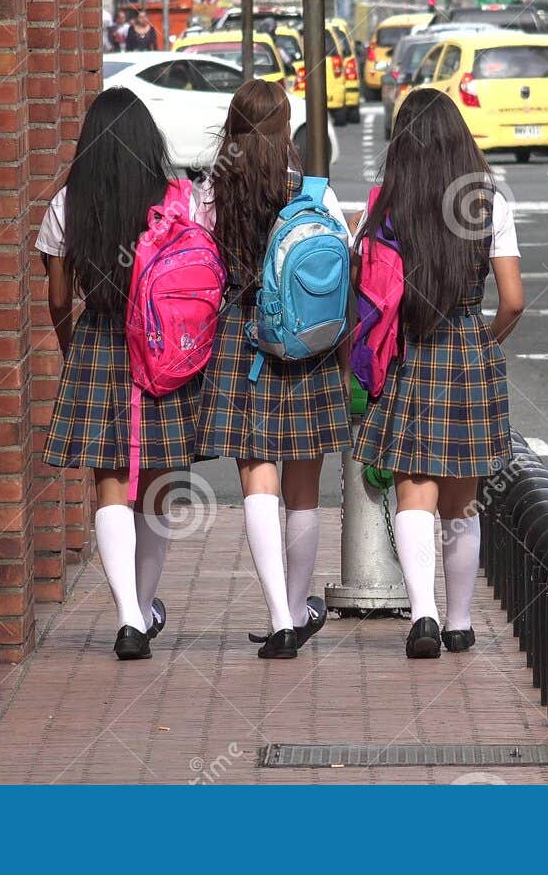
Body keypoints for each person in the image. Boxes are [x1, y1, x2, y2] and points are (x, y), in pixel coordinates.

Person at [352, 88, 526, 657]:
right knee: (462, 504)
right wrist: (484, 341)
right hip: (467, 350)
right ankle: (458, 622)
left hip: (411, 353)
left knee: (414, 497)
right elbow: (514, 301)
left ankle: (421, 615)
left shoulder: (387, 208)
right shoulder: (487, 203)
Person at [36, 88, 202, 659]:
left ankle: (129, 618)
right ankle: (145, 605)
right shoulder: (173, 199)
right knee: (157, 486)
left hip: (100, 343)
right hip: (160, 352)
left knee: (109, 485)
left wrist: (69, 342)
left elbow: (59, 298)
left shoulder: (66, 205)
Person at [194, 80, 351, 659]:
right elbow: (342, 267)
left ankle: (280, 617)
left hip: (243, 338)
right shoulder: (311, 190)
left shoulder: (214, 188)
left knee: (256, 477)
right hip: (306, 342)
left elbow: (199, 262)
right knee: (303, 490)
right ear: (286, 126)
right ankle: (297, 600)